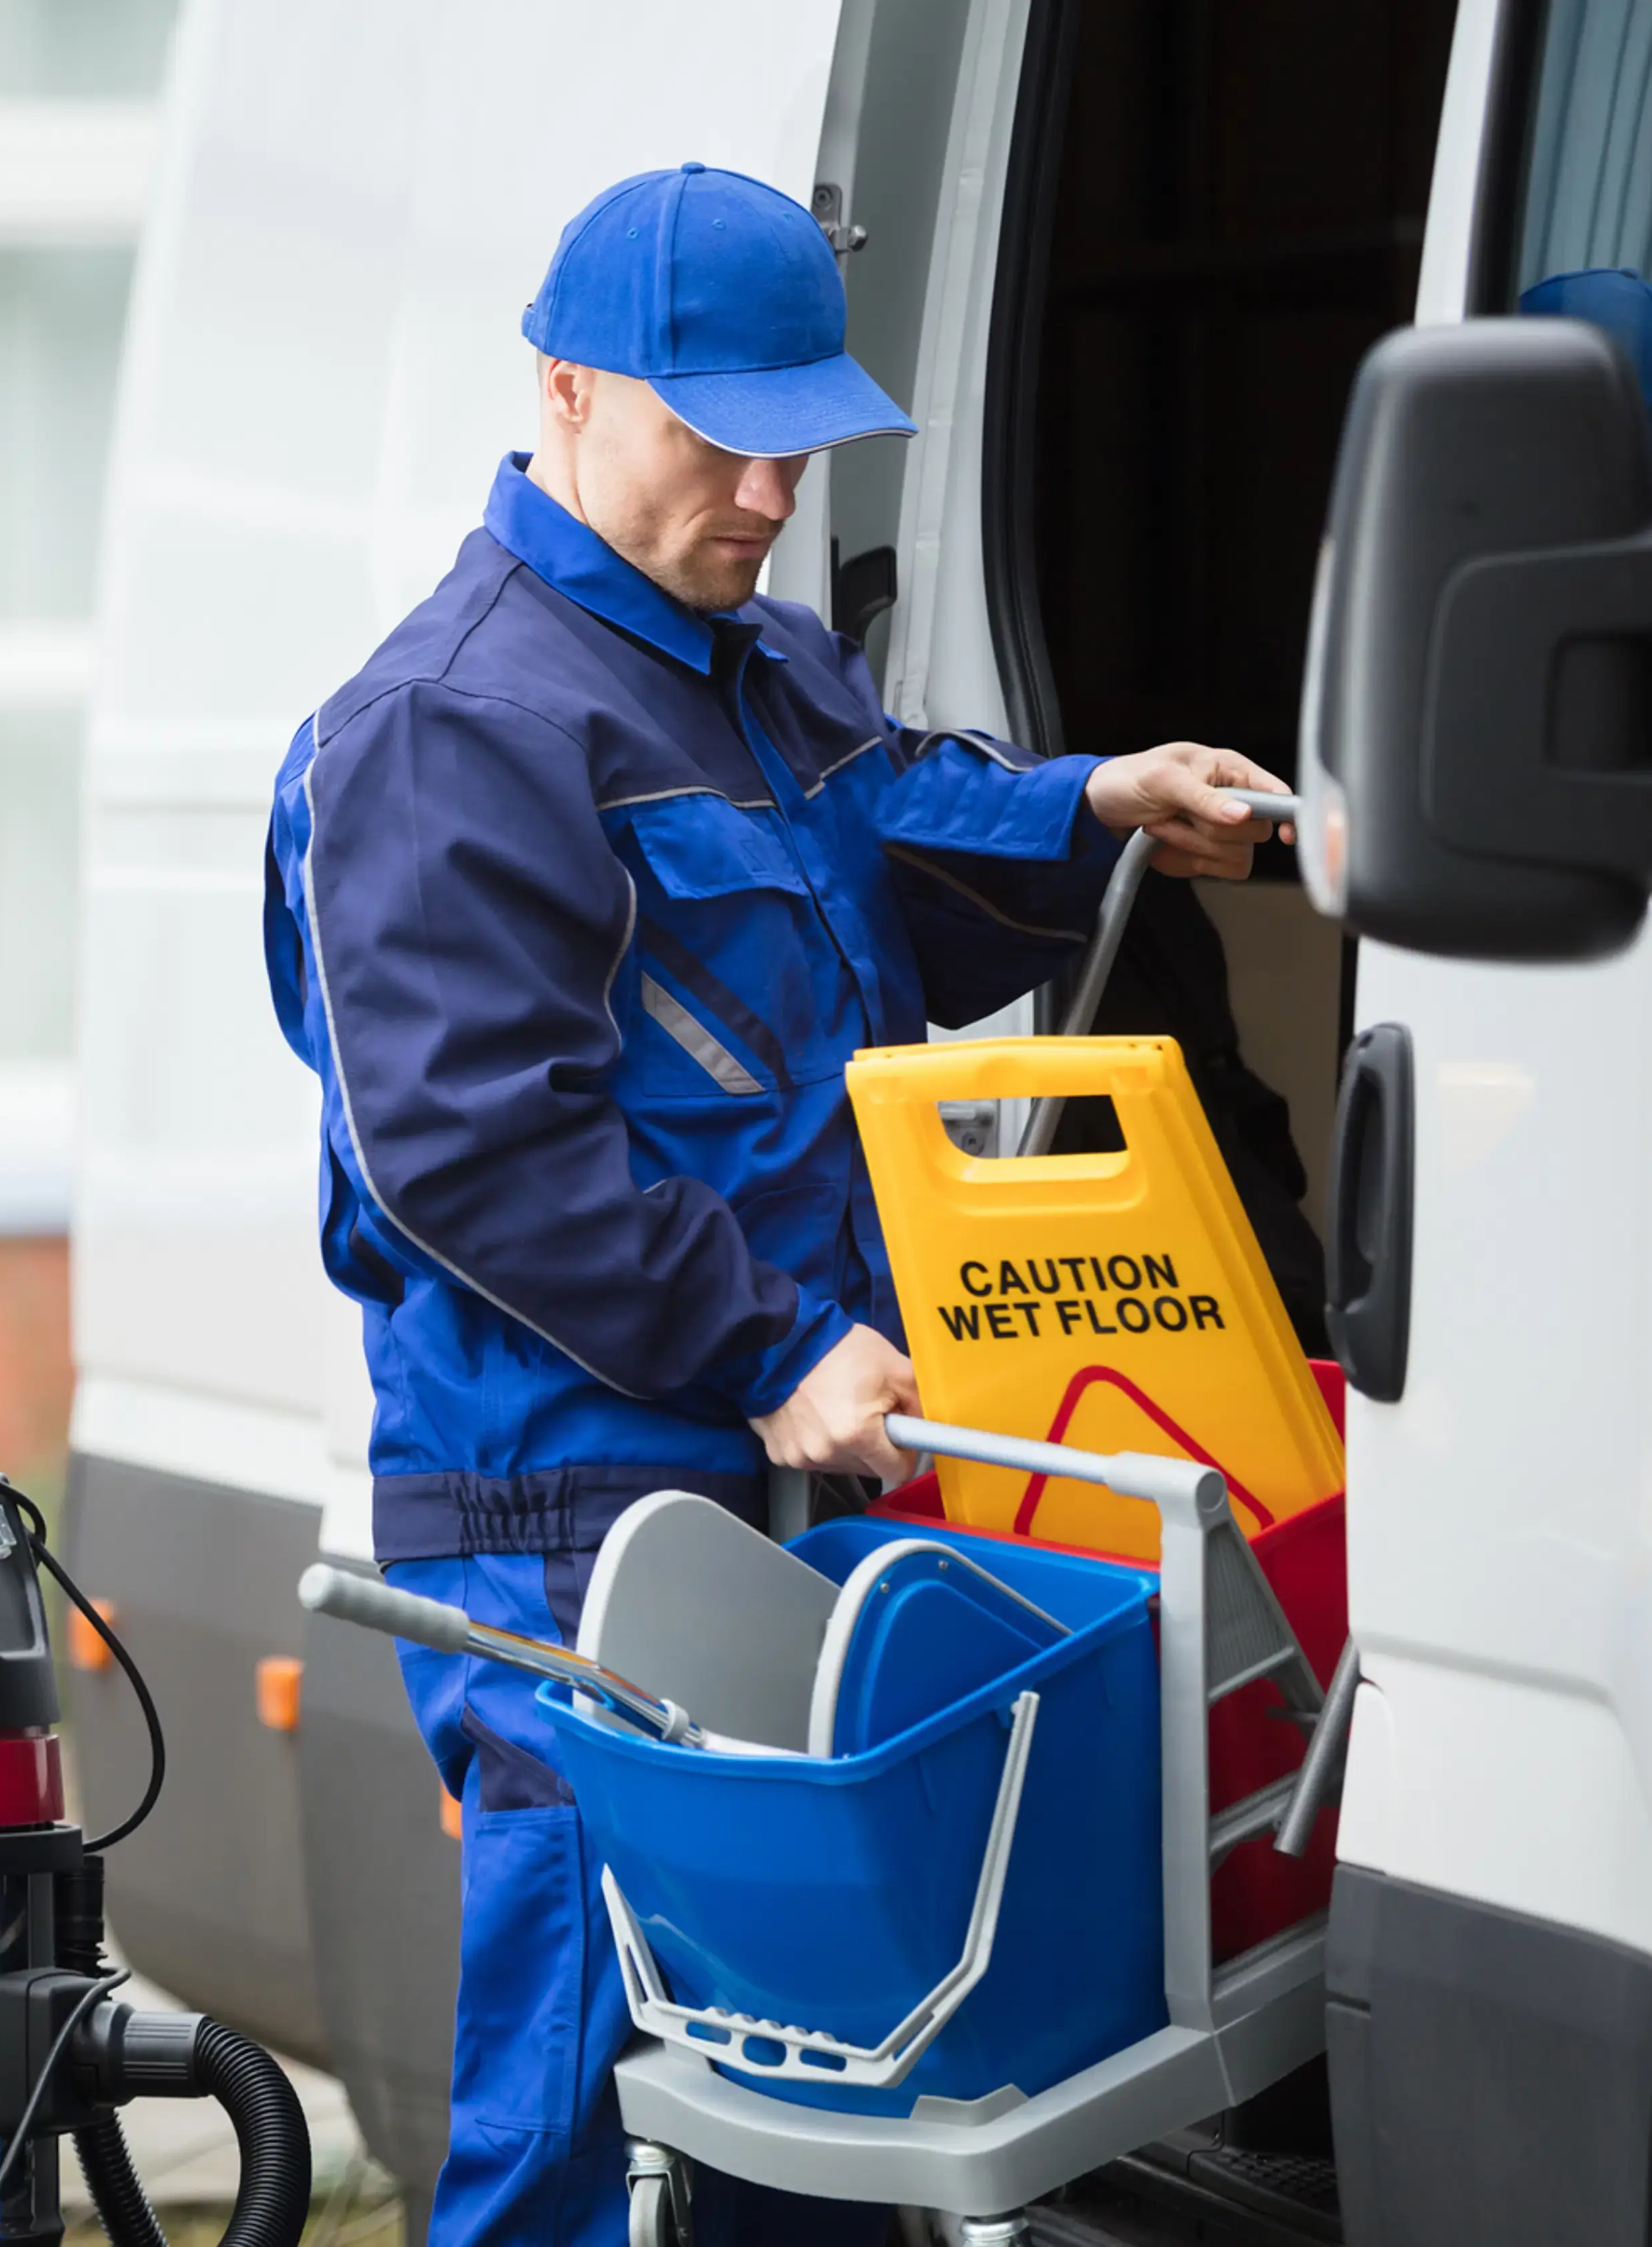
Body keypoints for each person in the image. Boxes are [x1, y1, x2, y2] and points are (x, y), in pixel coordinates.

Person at [260, 163, 1285, 2247]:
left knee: (803, 2113)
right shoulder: (457, 718)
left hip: (791, 1489)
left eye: (795, 440)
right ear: (562, 388)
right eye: (709, 432)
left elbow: (888, 812)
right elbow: (467, 1144)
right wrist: (771, 1346)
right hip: (575, 1533)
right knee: (577, 2133)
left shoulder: (757, 666)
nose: (759, 487)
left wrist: (1092, 805)